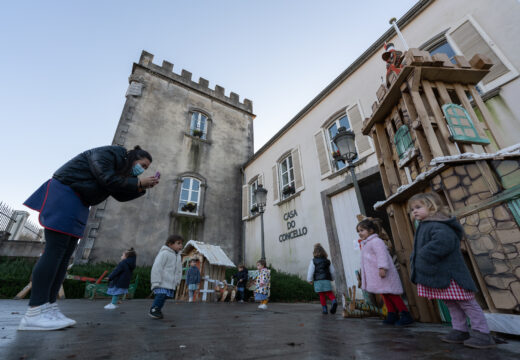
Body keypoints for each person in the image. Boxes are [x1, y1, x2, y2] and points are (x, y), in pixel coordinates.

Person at [19, 145, 158, 331]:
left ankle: (49, 306)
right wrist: (139, 183)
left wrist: (141, 187)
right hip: (65, 193)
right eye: (142, 165)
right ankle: (35, 311)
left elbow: (119, 195)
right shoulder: (108, 154)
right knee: (55, 252)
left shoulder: (121, 171)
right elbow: (107, 179)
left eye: (146, 168)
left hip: (80, 202)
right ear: (133, 156)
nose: (142, 170)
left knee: (64, 256)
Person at [409, 192, 495, 349]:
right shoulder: (426, 224)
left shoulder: (438, 224)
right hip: (442, 274)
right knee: (451, 303)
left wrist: (424, 254)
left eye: (418, 207)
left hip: (451, 274)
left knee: (466, 302)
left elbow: (444, 242)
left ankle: (483, 334)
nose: (414, 211)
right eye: (412, 209)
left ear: (432, 207)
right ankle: (460, 330)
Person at [357, 218, 413, 326]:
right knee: (385, 293)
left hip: (383, 273)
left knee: (392, 293)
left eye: (362, 230)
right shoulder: (367, 243)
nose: (360, 233)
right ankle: (392, 314)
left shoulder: (376, 241)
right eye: (358, 231)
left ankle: (405, 314)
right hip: (377, 275)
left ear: (371, 230)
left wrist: (382, 267)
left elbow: (382, 255)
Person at [149, 235, 184, 319]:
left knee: (164, 297)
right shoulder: (164, 253)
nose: (181, 246)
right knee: (161, 295)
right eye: (178, 243)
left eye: (181, 244)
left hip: (170, 282)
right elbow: (157, 267)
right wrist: (155, 281)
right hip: (161, 281)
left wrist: (177, 280)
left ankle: (158, 309)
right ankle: (154, 310)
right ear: (170, 244)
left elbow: (179, 270)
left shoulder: (178, 256)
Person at [307, 243, 337, 314]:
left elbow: (310, 271)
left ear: (314, 253)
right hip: (326, 280)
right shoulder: (327, 261)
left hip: (318, 281)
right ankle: (334, 301)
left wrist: (309, 280)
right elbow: (332, 271)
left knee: (321, 294)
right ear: (324, 252)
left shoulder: (313, 261)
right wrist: (332, 278)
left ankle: (324, 309)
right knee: (329, 293)